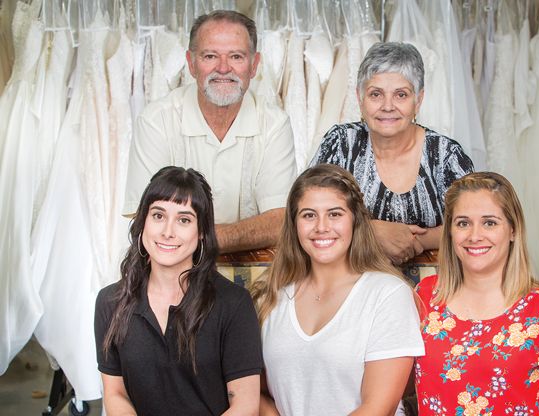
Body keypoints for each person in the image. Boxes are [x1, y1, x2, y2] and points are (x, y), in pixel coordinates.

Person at [251, 164, 425, 415]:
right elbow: (251, 390)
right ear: (294, 224)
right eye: (309, 215)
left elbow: (378, 408)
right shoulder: (270, 297)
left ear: (355, 221)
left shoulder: (387, 294)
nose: (321, 227)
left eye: (334, 214)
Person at [414, 172, 539, 415]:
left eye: (490, 222)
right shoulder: (425, 296)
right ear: (451, 232)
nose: (475, 236)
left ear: (513, 230)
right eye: (463, 223)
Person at [124, 10, 296, 253]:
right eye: (210, 56)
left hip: (254, 275)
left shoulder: (275, 124)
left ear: (254, 64)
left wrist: (192, 239)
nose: (223, 68)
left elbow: (281, 222)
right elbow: (144, 221)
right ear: (191, 63)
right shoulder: (156, 121)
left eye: (236, 56)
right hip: (171, 275)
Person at [95, 166, 262, 415]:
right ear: (143, 223)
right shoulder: (110, 301)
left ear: (202, 232)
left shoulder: (234, 304)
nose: (167, 231)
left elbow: (245, 405)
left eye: (184, 220)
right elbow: (115, 393)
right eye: (158, 216)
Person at [310, 42, 474, 265]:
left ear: (418, 100)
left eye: (401, 95)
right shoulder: (341, 144)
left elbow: (473, 224)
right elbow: (309, 213)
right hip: (351, 283)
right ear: (360, 98)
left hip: (434, 288)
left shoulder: (445, 155)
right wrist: (371, 230)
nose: (388, 106)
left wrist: (418, 242)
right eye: (376, 94)